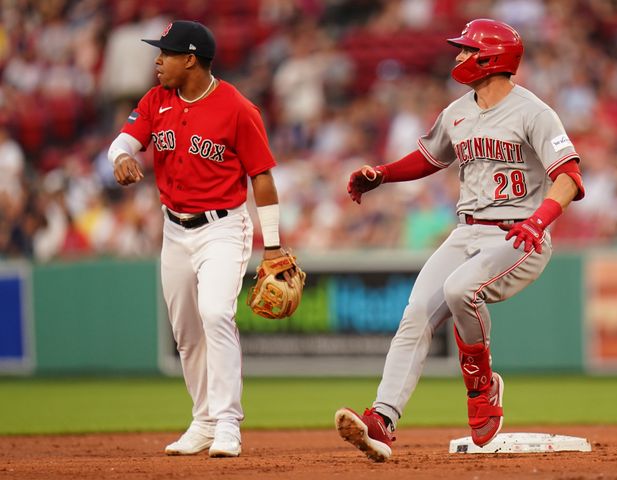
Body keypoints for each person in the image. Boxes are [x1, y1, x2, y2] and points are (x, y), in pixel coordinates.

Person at [335, 18, 585, 462]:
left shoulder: (535, 112)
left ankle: (482, 386)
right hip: (466, 229)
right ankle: (381, 421)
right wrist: (383, 174)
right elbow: (431, 156)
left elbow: (568, 177)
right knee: (414, 314)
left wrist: (540, 221)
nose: (458, 57)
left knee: (459, 290)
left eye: (468, 50)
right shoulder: (458, 111)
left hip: (518, 232)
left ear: (492, 58)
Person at [107, 20, 294, 458]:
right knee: (187, 332)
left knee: (215, 313)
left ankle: (228, 423)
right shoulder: (156, 100)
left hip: (224, 227)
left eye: (165, 54)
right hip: (174, 230)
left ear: (189, 59)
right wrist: (120, 158)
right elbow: (123, 141)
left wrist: (273, 245)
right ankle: (203, 420)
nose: (157, 61)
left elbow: (262, 179)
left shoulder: (237, 107)